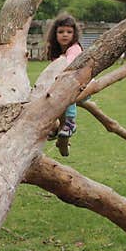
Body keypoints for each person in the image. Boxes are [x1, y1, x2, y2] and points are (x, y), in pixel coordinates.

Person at [45, 13, 83, 156]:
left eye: (69, 32)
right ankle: (55, 127)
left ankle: (70, 122)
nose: (65, 35)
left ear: (74, 34)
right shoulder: (56, 50)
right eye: (61, 32)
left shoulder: (74, 48)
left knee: (66, 92)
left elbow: (70, 65)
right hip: (63, 82)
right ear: (55, 34)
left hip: (81, 84)